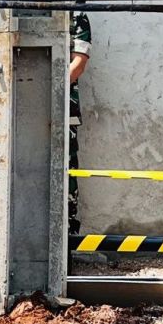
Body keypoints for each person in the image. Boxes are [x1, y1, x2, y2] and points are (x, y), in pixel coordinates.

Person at [67, 12, 92, 236]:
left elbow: (79, 63)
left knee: (66, 173)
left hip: (64, 110)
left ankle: (67, 237)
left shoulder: (76, 16)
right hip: (19, 108)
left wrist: (52, 87)